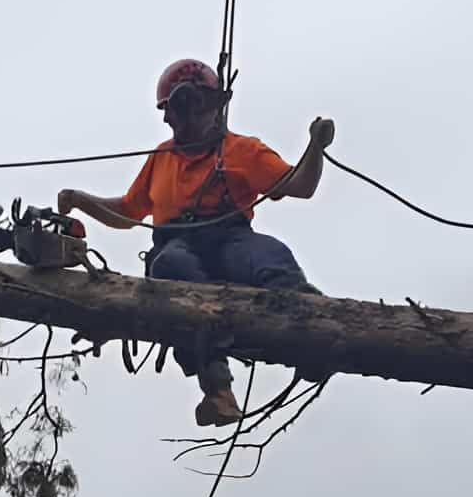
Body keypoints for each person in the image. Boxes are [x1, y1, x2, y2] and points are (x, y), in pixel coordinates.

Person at [59, 57, 334, 425]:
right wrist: (82, 200)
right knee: (172, 268)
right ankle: (217, 389)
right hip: (177, 249)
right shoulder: (161, 158)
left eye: (176, 110)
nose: (170, 121)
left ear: (207, 106)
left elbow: (300, 185)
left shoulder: (242, 151)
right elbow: (128, 211)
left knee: (271, 256)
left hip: (230, 241)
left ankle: (310, 339)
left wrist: (315, 147)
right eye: (168, 113)